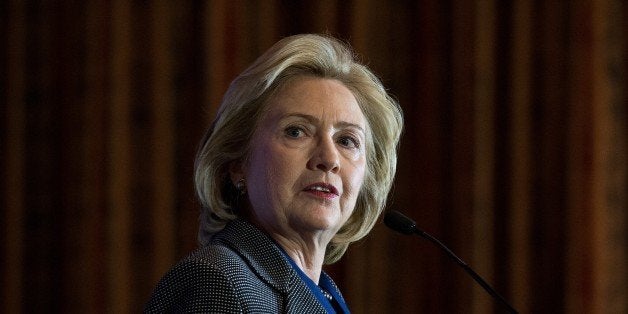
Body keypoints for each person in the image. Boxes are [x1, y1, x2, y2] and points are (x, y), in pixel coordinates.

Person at [145, 33, 403, 313]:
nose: (329, 159)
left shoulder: (325, 295)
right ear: (237, 163)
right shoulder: (217, 280)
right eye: (296, 131)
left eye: (346, 140)